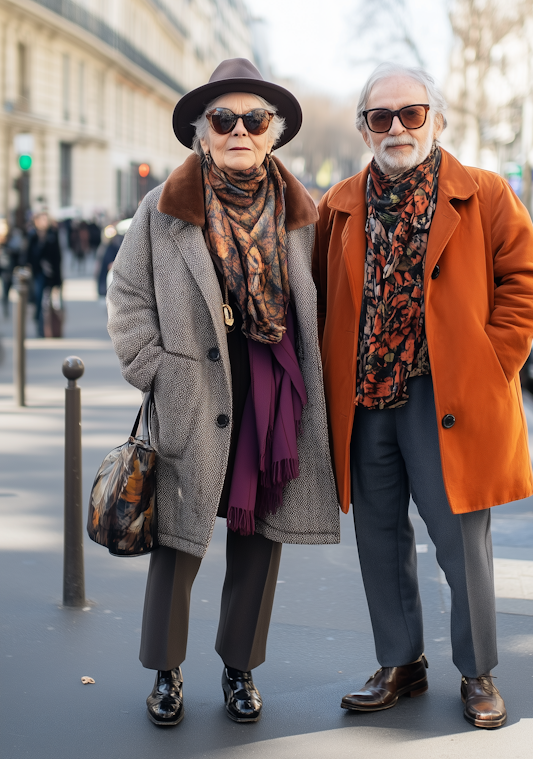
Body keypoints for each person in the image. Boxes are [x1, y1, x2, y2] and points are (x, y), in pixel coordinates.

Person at [312, 63, 533, 728]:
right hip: (366, 402)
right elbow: (321, 298)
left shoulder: (486, 195)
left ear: (437, 121)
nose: (396, 128)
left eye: (410, 114)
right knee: (379, 539)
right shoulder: (337, 206)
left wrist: (490, 363)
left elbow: (527, 285)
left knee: (460, 544)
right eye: (380, 117)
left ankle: (478, 673)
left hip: (448, 400)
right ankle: (400, 664)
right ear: (364, 129)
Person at [107, 58, 339, 728]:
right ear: (201, 132)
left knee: (261, 536)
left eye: (254, 119)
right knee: (178, 539)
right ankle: (165, 671)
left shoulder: (305, 214)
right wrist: (154, 366)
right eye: (224, 119)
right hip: (192, 386)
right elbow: (126, 296)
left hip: (272, 386)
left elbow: (325, 299)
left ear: (275, 132)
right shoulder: (163, 208)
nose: (239, 129)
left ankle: (240, 669)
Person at [26, 211, 62, 337]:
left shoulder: (53, 234)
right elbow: (29, 256)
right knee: (40, 299)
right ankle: (41, 327)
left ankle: (53, 327)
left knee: (54, 302)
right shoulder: (33, 236)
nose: (44, 222)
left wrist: (59, 279)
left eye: (46, 220)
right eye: (41, 220)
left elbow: (58, 257)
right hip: (39, 273)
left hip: (52, 273)